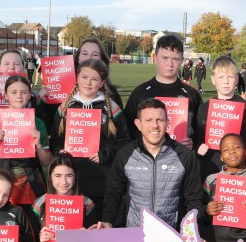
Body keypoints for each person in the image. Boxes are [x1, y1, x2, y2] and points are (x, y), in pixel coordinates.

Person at [98, 98, 203, 229]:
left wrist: (191, 231)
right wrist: (108, 221)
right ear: (138, 124)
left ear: (167, 123)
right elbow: (113, 193)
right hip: (135, 232)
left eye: (160, 120)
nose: (155, 125)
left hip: (172, 234)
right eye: (148, 120)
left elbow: (194, 199)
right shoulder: (125, 154)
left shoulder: (184, 155)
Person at [50, 58, 131, 217]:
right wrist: (61, 152)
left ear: (101, 83)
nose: (88, 83)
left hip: (101, 181)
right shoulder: (65, 107)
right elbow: (55, 139)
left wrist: (105, 154)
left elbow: (125, 142)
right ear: (77, 78)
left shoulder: (112, 109)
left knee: (98, 228)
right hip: (71, 183)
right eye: (84, 77)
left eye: (94, 79)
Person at [0, 74, 51, 221]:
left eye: (23, 92)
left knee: (31, 222)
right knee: (4, 222)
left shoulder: (38, 123)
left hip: (31, 180)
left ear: (29, 95)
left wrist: (39, 144)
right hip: (3, 178)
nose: (19, 96)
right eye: (14, 92)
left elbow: (47, 161)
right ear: (6, 95)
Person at [123, 34, 202, 144]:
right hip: (146, 159)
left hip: (181, 158)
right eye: (165, 58)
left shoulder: (191, 94)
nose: (170, 64)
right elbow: (126, 129)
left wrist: (193, 142)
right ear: (155, 58)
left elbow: (200, 130)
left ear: (182, 61)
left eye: (175, 59)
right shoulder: (140, 92)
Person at [194, 55, 246, 182]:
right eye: (221, 77)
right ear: (213, 79)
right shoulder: (204, 108)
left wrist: (244, 151)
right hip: (209, 168)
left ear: (236, 79)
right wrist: (199, 150)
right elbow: (198, 139)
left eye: (230, 77)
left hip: (237, 171)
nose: (226, 81)